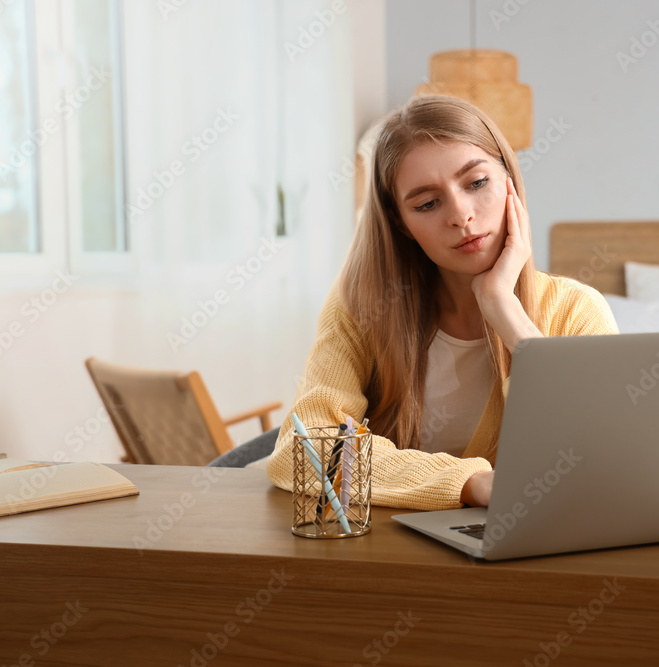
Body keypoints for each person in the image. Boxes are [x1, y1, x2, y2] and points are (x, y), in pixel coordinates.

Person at [262, 94, 618, 510]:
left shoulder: (576, 310)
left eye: (477, 183)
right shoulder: (362, 306)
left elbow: (599, 461)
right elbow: (302, 449)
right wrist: (471, 484)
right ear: (402, 224)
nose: (461, 215)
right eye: (428, 204)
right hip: (390, 556)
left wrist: (505, 310)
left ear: (510, 181)